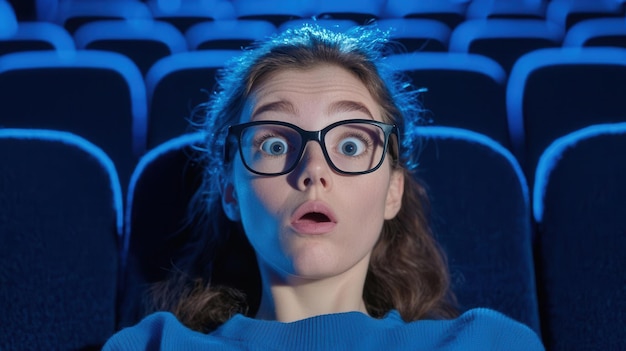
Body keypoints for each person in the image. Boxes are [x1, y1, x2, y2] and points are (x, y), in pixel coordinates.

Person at [104, 24, 544, 350]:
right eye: (275, 143)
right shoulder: (149, 346)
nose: (314, 170)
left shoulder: (491, 343)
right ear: (231, 191)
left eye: (351, 144)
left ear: (393, 190)